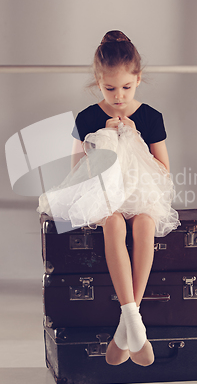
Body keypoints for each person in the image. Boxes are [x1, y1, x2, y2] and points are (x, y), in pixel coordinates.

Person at [38, 30, 180, 367]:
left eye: (126, 88)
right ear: (98, 83)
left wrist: (133, 138)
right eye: (110, 88)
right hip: (101, 196)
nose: (118, 96)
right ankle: (133, 321)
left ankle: (127, 323)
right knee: (114, 225)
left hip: (140, 192)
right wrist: (105, 140)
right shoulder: (87, 118)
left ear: (138, 79)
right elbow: (77, 173)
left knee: (144, 223)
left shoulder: (150, 117)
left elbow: (163, 170)